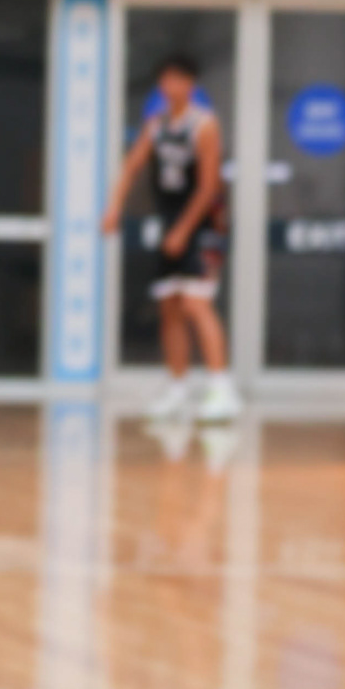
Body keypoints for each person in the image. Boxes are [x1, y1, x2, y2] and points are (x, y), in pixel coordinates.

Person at [102, 53, 240, 424]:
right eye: (165, 79)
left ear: (191, 84)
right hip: (170, 223)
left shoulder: (204, 125)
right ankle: (177, 388)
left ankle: (222, 388)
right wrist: (113, 207)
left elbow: (209, 186)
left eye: (178, 79)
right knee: (170, 307)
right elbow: (131, 167)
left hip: (205, 226)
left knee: (197, 303)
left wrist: (184, 230)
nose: (170, 86)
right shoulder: (156, 125)